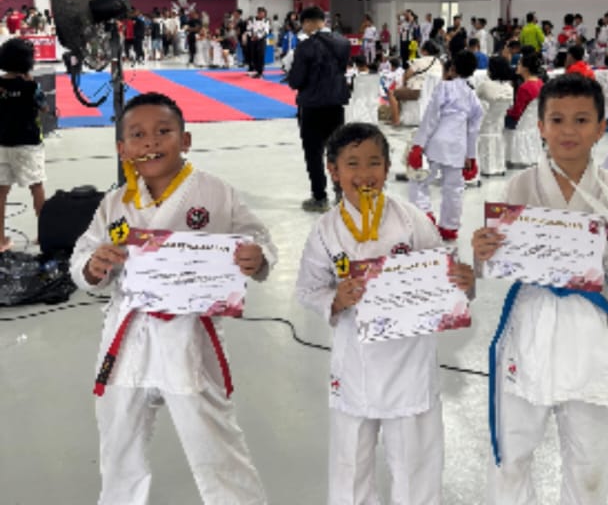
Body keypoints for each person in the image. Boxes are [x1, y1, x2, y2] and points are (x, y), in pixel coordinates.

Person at [472, 74, 608, 505]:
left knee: (589, 460)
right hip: (530, 321)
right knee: (512, 452)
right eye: (557, 119)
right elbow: (498, 256)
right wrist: (483, 250)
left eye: (581, 120)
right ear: (540, 127)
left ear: (601, 128)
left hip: (588, 326)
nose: (568, 130)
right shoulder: (521, 186)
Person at [71, 93, 274, 505]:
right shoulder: (115, 203)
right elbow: (83, 255)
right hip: (128, 337)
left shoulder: (215, 193)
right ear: (122, 149)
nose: (150, 142)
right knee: (118, 440)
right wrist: (92, 267)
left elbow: (258, 237)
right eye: (137, 135)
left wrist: (259, 257)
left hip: (189, 335)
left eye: (163, 131)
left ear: (186, 140)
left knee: (213, 440)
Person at [295, 123, 474, 505]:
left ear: (388, 167)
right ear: (333, 170)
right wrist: (336, 300)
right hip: (355, 363)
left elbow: (445, 277)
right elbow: (308, 290)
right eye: (352, 164)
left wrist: (462, 283)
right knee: (350, 465)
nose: (364, 174)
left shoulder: (411, 220)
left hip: (410, 362)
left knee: (416, 464)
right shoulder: (326, 230)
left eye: (374, 162)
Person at [406, 48, 483, 240]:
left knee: (420, 181)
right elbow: (473, 129)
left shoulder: (444, 87)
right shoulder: (473, 96)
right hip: (459, 145)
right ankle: (449, 226)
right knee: (454, 188)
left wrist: (418, 144)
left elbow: (431, 117)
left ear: (453, 68)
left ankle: (425, 215)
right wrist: (471, 156)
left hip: (437, 141)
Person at [285, 5, 353, 212]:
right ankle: (341, 193)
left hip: (312, 106)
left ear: (307, 23)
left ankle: (319, 197)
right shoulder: (343, 43)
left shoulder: (305, 47)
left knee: (313, 153)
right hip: (336, 104)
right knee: (337, 151)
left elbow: (296, 80)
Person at [0, 37, 45, 253]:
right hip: (28, 144)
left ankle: (1, 240)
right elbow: (44, 107)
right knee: (36, 186)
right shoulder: (32, 86)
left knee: (1, 192)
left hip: (2, 143)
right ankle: (45, 236)